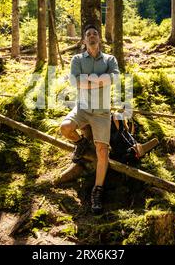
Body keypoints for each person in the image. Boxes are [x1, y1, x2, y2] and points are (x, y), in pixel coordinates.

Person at [60, 24, 120, 214]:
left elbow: (115, 79)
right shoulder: (77, 59)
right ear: (84, 40)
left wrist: (88, 81)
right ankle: (81, 143)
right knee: (65, 128)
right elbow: (74, 81)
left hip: (102, 112)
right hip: (82, 109)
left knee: (102, 151)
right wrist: (101, 80)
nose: (92, 36)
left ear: (99, 39)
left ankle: (97, 190)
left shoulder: (110, 59)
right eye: (88, 34)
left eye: (95, 34)